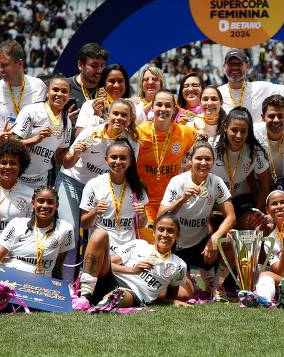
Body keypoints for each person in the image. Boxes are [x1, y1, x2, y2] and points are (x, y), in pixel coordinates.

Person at [158, 141, 236, 300]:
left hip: (201, 245)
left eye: (208, 159)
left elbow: (231, 217)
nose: (203, 163)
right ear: (190, 160)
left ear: (213, 162)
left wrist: (215, 237)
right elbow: (161, 216)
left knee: (231, 240)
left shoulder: (216, 182)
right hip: (177, 247)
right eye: (199, 158)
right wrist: (182, 199)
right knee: (186, 295)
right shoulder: (178, 182)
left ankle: (217, 285)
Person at [58, 99, 139, 238]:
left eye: (124, 115)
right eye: (116, 113)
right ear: (108, 114)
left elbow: (128, 172)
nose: (119, 118)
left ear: (130, 119)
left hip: (101, 189)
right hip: (73, 181)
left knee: (98, 233)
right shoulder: (89, 132)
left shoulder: (132, 143)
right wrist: (76, 154)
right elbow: (66, 164)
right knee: (69, 230)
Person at [79, 139, 149, 289]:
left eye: (123, 158)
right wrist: (95, 211)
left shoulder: (138, 186)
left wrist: (142, 215)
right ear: (106, 159)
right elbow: (84, 223)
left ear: (130, 161)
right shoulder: (94, 184)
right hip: (103, 251)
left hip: (128, 251)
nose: (118, 161)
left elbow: (142, 224)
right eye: (114, 157)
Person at [82, 212, 190, 310]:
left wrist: (171, 301)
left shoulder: (180, 265)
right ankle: (84, 297)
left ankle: (103, 304)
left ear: (177, 235)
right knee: (100, 234)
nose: (165, 235)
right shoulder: (138, 244)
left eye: (170, 231)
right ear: (153, 232)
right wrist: (132, 270)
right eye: (161, 229)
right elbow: (105, 265)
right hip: (110, 279)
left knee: (119, 295)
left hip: (133, 293)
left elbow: (170, 296)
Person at [137, 90, 197, 222]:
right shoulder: (139, 131)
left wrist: (188, 165)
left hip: (172, 201)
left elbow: (205, 142)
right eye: (159, 104)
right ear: (152, 107)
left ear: (174, 110)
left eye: (168, 105)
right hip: (144, 202)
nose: (163, 109)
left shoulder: (185, 131)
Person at [0, 187, 74, 279]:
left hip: (42, 284)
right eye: (41, 201)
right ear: (33, 203)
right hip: (12, 279)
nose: (45, 206)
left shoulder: (65, 229)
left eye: (50, 202)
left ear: (57, 205)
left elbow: (58, 266)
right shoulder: (16, 224)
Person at [12, 75, 73, 190]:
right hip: (16, 177)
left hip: (41, 182)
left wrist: (77, 150)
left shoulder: (67, 122)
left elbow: (59, 158)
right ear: (47, 92)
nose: (59, 94)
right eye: (55, 90)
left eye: (64, 91)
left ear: (69, 96)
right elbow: (11, 144)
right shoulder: (31, 111)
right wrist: (36, 139)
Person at [210, 107, 270, 219]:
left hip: (240, 199)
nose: (238, 136)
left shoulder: (255, 151)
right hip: (213, 200)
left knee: (253, 224)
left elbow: (265, 184)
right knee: (210, 228)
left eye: (243, 131)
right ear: (225, 128)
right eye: (234, 130)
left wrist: (258, 212)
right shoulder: (212, 146)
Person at [0, 40, 47, 131]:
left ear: (20, 63)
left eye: (4, 65)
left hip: (31, 143)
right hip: (1, 144)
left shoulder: (38, 86)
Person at [218, 48, 284, 124]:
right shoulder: (217, 94)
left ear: (247, 66)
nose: (235, 67)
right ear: (224, 67)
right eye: (231, 64)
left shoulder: (261, 88)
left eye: (239, 64)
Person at [253, 95, 284, 191]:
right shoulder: (253, 133)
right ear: (263, 117)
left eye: (280, 116)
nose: (276, 120)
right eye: (271, 116)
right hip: (259, 186)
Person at [76, 64, 134, 133]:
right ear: (103, 84)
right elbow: (78, 135)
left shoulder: (134, 106)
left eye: (120, 81)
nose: (116, 85)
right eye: (111, 81)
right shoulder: (89, 105)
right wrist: (96, 116)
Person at [66, 42, 107, 111]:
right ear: (80, 65)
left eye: (102, 65)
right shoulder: (64, 87)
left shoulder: (108, 86)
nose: (100, 70)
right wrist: (66, 120)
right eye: (94, 66)